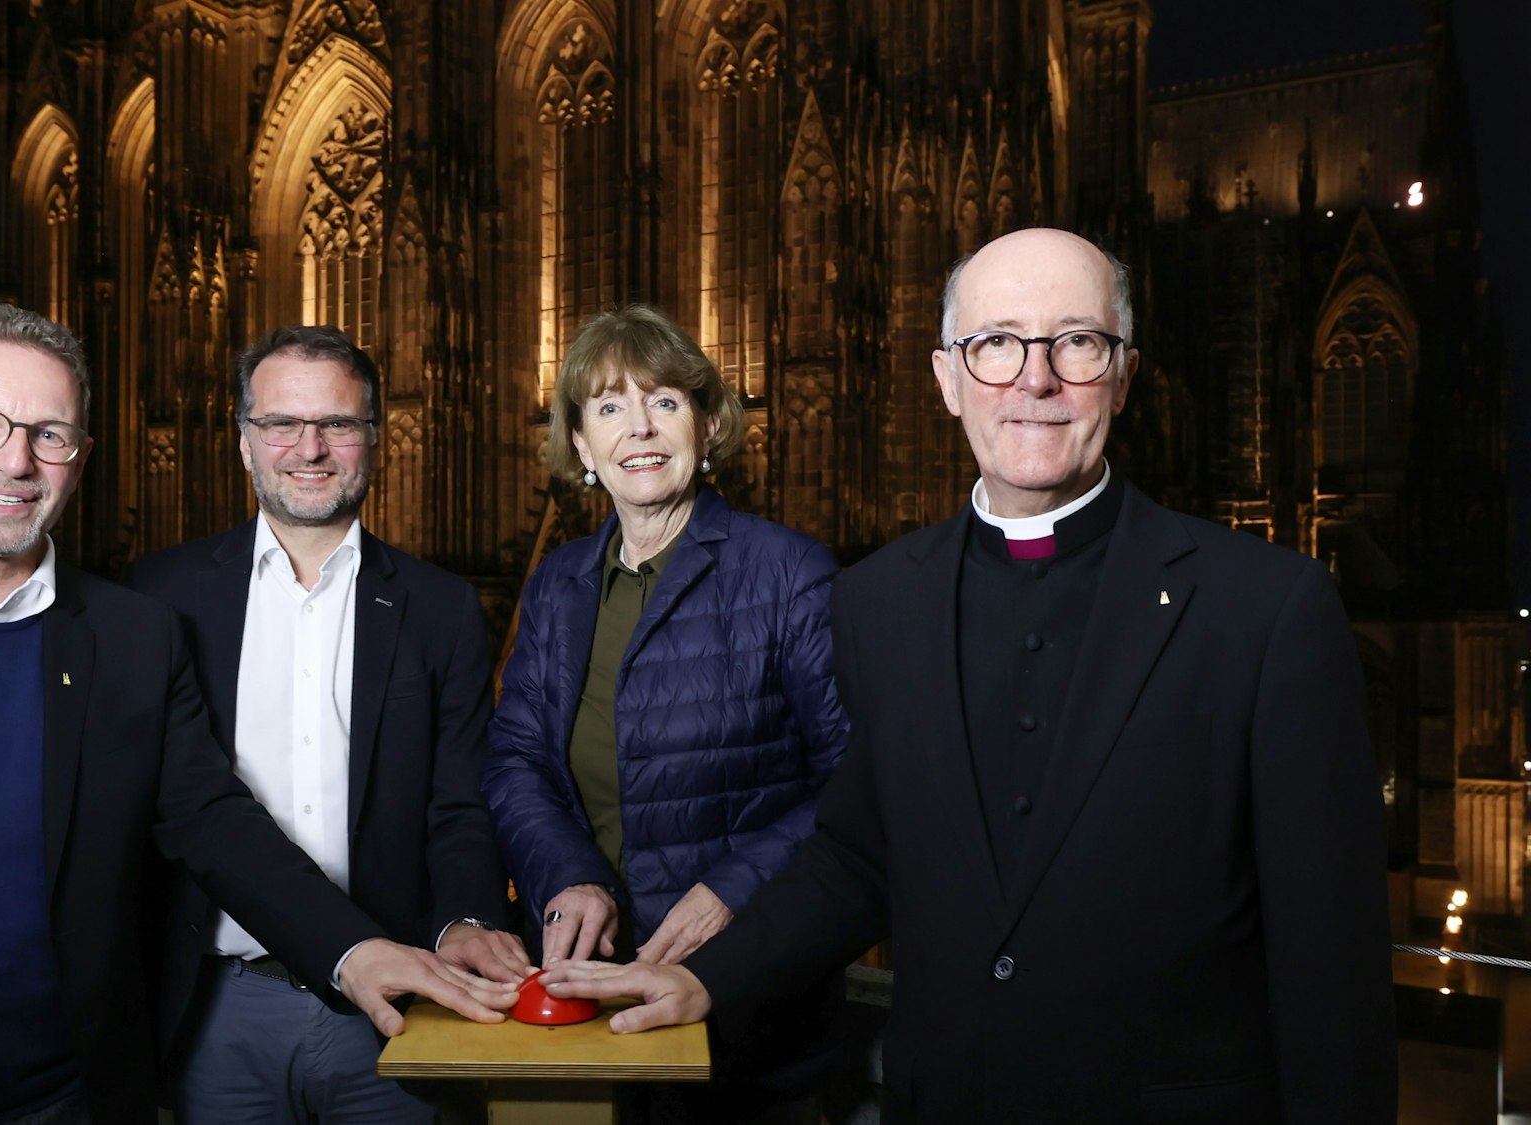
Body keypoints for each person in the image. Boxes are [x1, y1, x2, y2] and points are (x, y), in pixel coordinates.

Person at [545, 228, 1397, 1122]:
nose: (1035, 379)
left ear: (1126, 373)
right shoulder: (877, 601)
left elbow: (1331, 967)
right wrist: (706, 979)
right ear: (949, 380)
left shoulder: (1267, 608)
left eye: (1077, 341)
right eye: (995, 344)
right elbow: (856, 855)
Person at [0, 304, 512, 1125]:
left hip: (74, 1096)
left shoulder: (131, 633)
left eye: (49, 434)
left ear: (81, 455)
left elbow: (212, 818)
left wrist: (352, 951)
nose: (16, 461)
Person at [128, 325, 528, 1123]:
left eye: (337, 424)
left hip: (398, 1005)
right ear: (245, 442)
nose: (309, 447)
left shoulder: (441, 606)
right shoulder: (160, 596)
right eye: (281, 423)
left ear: (374, 441)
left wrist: (466, 920)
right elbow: (164, 807)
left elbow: (459, 804)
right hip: (218, 1006)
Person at [483, 304, 849, 1111]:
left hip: (746, 998)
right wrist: (568, 877)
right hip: (591, 989)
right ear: (581, 444)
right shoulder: (560, 582)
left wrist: (732, 890)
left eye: (665, 401)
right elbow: (517, 759)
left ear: (708, 422)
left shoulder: (789, 573)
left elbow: (856, 782)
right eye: (609, 407)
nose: (638, 428)